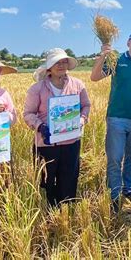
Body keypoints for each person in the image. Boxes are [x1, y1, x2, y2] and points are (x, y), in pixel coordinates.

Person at [91, 30, 131, 212]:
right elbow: (94, 77)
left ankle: (129, 190)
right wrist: (103, 56)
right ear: (128, 42)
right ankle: (114, 196)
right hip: (117, 117)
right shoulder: (116, 60)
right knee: (115, 158)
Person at [24, 48, 90, 207]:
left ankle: (65, 214)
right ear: (49, 67)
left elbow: (86, 105)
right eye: (57, 62)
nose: (61, 65)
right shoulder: (37, 88)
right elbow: (28, 114)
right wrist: (40, 127)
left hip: (71, 142)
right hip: (46, 143)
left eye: (64, 62)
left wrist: (81, 120)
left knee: (68, 179)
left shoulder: (77, 85)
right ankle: (48, 213)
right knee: (47, 180)